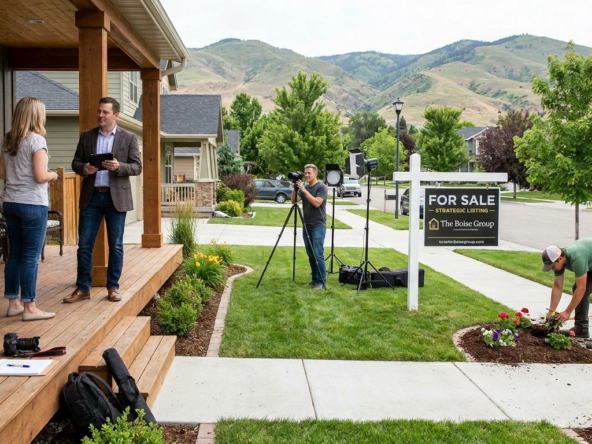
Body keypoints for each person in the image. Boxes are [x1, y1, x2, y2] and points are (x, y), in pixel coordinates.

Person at [64, 97, 142, 304]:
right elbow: (75, 162)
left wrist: (119, 167)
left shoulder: (129, 138)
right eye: (99, 111)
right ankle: (83, 288)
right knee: (84, 245)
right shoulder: (87, 136)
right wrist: (84, 169)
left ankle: (113, 287)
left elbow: (137, 167)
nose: (100, 115)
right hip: (91, 196)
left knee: (115, 245)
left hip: (115, 197)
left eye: (105, 112)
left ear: (115, 115)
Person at [0, 96, 58, 321]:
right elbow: (40, 175)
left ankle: (13, 303)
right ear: (35, 115)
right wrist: (52, 175)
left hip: (10, 202)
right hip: (32, 204)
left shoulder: (8, 141)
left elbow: (3, 173)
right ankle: (30, 308)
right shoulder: (36, 141)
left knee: (14, 253)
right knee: (31, 256)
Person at [541, 239, 592, 338]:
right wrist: (551, 311)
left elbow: (582, 288)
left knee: (579, 288)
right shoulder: (560, 261)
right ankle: (581, 330)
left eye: (552, 266)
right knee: (577, 288)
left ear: (560, 258)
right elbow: (557, 286)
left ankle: (581, 329)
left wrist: (567, 312)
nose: (551, 268)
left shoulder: (577, 258)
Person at [291, 164, 327, 290]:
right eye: (305, 173)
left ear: (315, 174)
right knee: (310, 254)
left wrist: (304, 191)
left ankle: (321, 281)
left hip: (318, 225)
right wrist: (295, 188)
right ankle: (314, 278)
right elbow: (294, 200)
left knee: (318, 254)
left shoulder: (321, 187)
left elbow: (317, 203)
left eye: (309, 173)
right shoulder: (304, 187)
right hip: (306, 225)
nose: (306, 175)